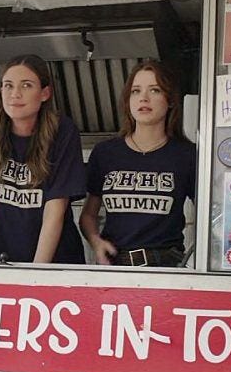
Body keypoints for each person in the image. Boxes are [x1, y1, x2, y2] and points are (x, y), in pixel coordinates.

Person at [0, 54, 86, 264]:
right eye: (8, 85)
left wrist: (35, 274)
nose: (15, 94)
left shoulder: (63, 132)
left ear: (45, 93)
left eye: (26, 85)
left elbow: (55, 209)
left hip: (55, 265)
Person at [80, 59, 196, 267]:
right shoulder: (105, 153)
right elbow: (88, 215)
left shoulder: (186, 155)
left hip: (166, 267)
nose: (143, 98)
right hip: (115, 267)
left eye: (154, 90)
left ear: (170, 100)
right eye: (135, 91)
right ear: (128, 100)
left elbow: (212, 215)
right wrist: (96, 243)